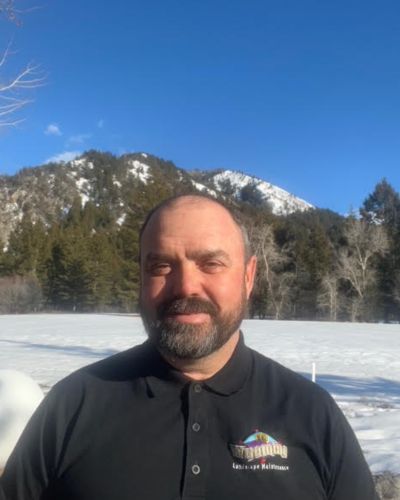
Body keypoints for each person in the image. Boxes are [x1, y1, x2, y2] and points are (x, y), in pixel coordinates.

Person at [0, 194, 378, 500]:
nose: (185, 286)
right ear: (141, 277)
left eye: (211, 263)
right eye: (161, 266)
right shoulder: (73, 404)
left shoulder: (311, 413)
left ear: (248, 277)